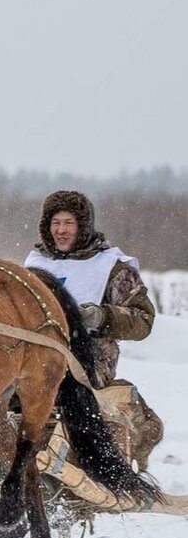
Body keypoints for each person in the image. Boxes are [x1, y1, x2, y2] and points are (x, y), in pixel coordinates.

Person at [24, 190, 163, 469]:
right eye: (55, 223)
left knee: (58, 385)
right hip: (36, 353)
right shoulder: (34, 264)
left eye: (68, 223)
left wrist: (101, 317)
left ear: (83, 226)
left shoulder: (112, 266)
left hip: (90, 357)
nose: (60, 231)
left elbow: (143, 320)